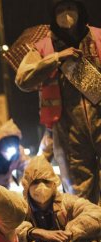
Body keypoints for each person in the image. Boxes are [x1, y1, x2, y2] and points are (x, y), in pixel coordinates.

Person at [15, 0, 101, 204]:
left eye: (70, 8)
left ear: (80, 10)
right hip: (68, 130)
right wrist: (55, 58)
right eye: (60, 10)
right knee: (79, 195)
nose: (66, 14)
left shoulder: (98, 36)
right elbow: (23, 79)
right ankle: (88, 236)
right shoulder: (44, 46)